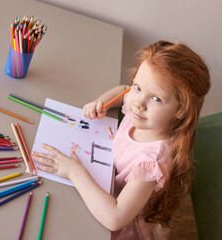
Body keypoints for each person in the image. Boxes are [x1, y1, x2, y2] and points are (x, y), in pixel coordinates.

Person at [32, 40, 210, 239]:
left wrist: (75, 172)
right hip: (103, 177)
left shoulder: (151, 162)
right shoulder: (142, 109)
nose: (138, 103)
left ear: (181, 110)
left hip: (116, 216)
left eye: (156, 99)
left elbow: (115, 218)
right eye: (139, 87)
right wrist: (102, 102)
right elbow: (123, 91)